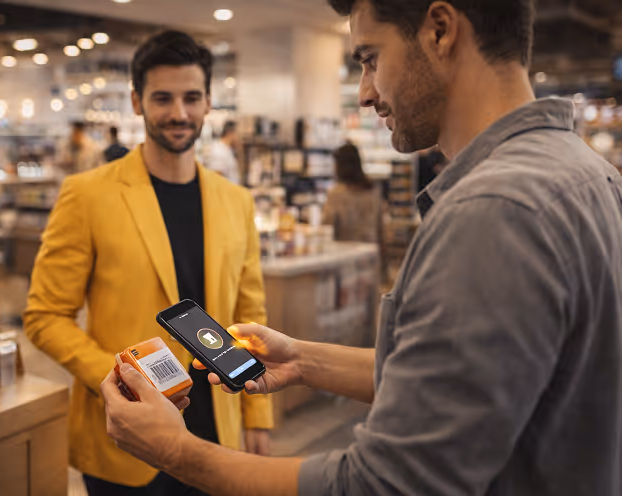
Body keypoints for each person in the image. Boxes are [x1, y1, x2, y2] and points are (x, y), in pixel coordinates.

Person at [101, 1, 622, 495]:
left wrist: (174, 449)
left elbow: (386, 484)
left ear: (440, 30)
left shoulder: (493, 210)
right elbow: (469, 384)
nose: (365, 94)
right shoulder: (587, 172)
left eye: (371, 59)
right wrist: (304, 360)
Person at [24, 30, 273, 496]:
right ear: (137, 102)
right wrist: (122, 379)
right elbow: (44, 316)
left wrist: (258, 412)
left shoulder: (235, 201)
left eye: (191, 98)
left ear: (208, 104)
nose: (178, 113)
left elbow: (249, 318)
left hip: (218, 427)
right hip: (127, 438)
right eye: (163, 98)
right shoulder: (88, 194)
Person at [322, 143, 381, 243]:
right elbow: (380, 230)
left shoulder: (336, 194)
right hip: (370, 252)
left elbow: (327, 228)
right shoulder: (372, 191)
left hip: (346, 253)